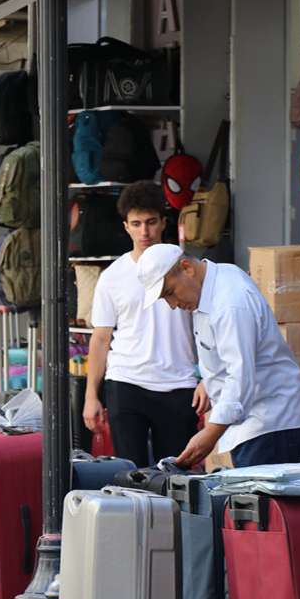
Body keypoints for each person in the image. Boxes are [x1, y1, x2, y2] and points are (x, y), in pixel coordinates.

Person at [138, 243, 300, 469]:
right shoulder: (214, 280)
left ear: (187, 268)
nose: (172, 305)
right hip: (257, 420)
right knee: (250, 501)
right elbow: (228, 349)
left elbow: (240, 377)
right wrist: (208, 379)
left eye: (170, 293)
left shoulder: (231, 302)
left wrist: (210, 434)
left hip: (270, 420)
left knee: (256, 503)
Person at [83, 182, 205, 468]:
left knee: (176, 477)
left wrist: (209, 378)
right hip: (126, 381)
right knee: (130, 475)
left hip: (179, 382)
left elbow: (208, 325)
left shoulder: (187, 267)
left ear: (163, 222)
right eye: (136, 224)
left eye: (151, 222)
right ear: (125, 227)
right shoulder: (112, 276)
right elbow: (100, 338)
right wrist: (91, 396)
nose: (144, 232)